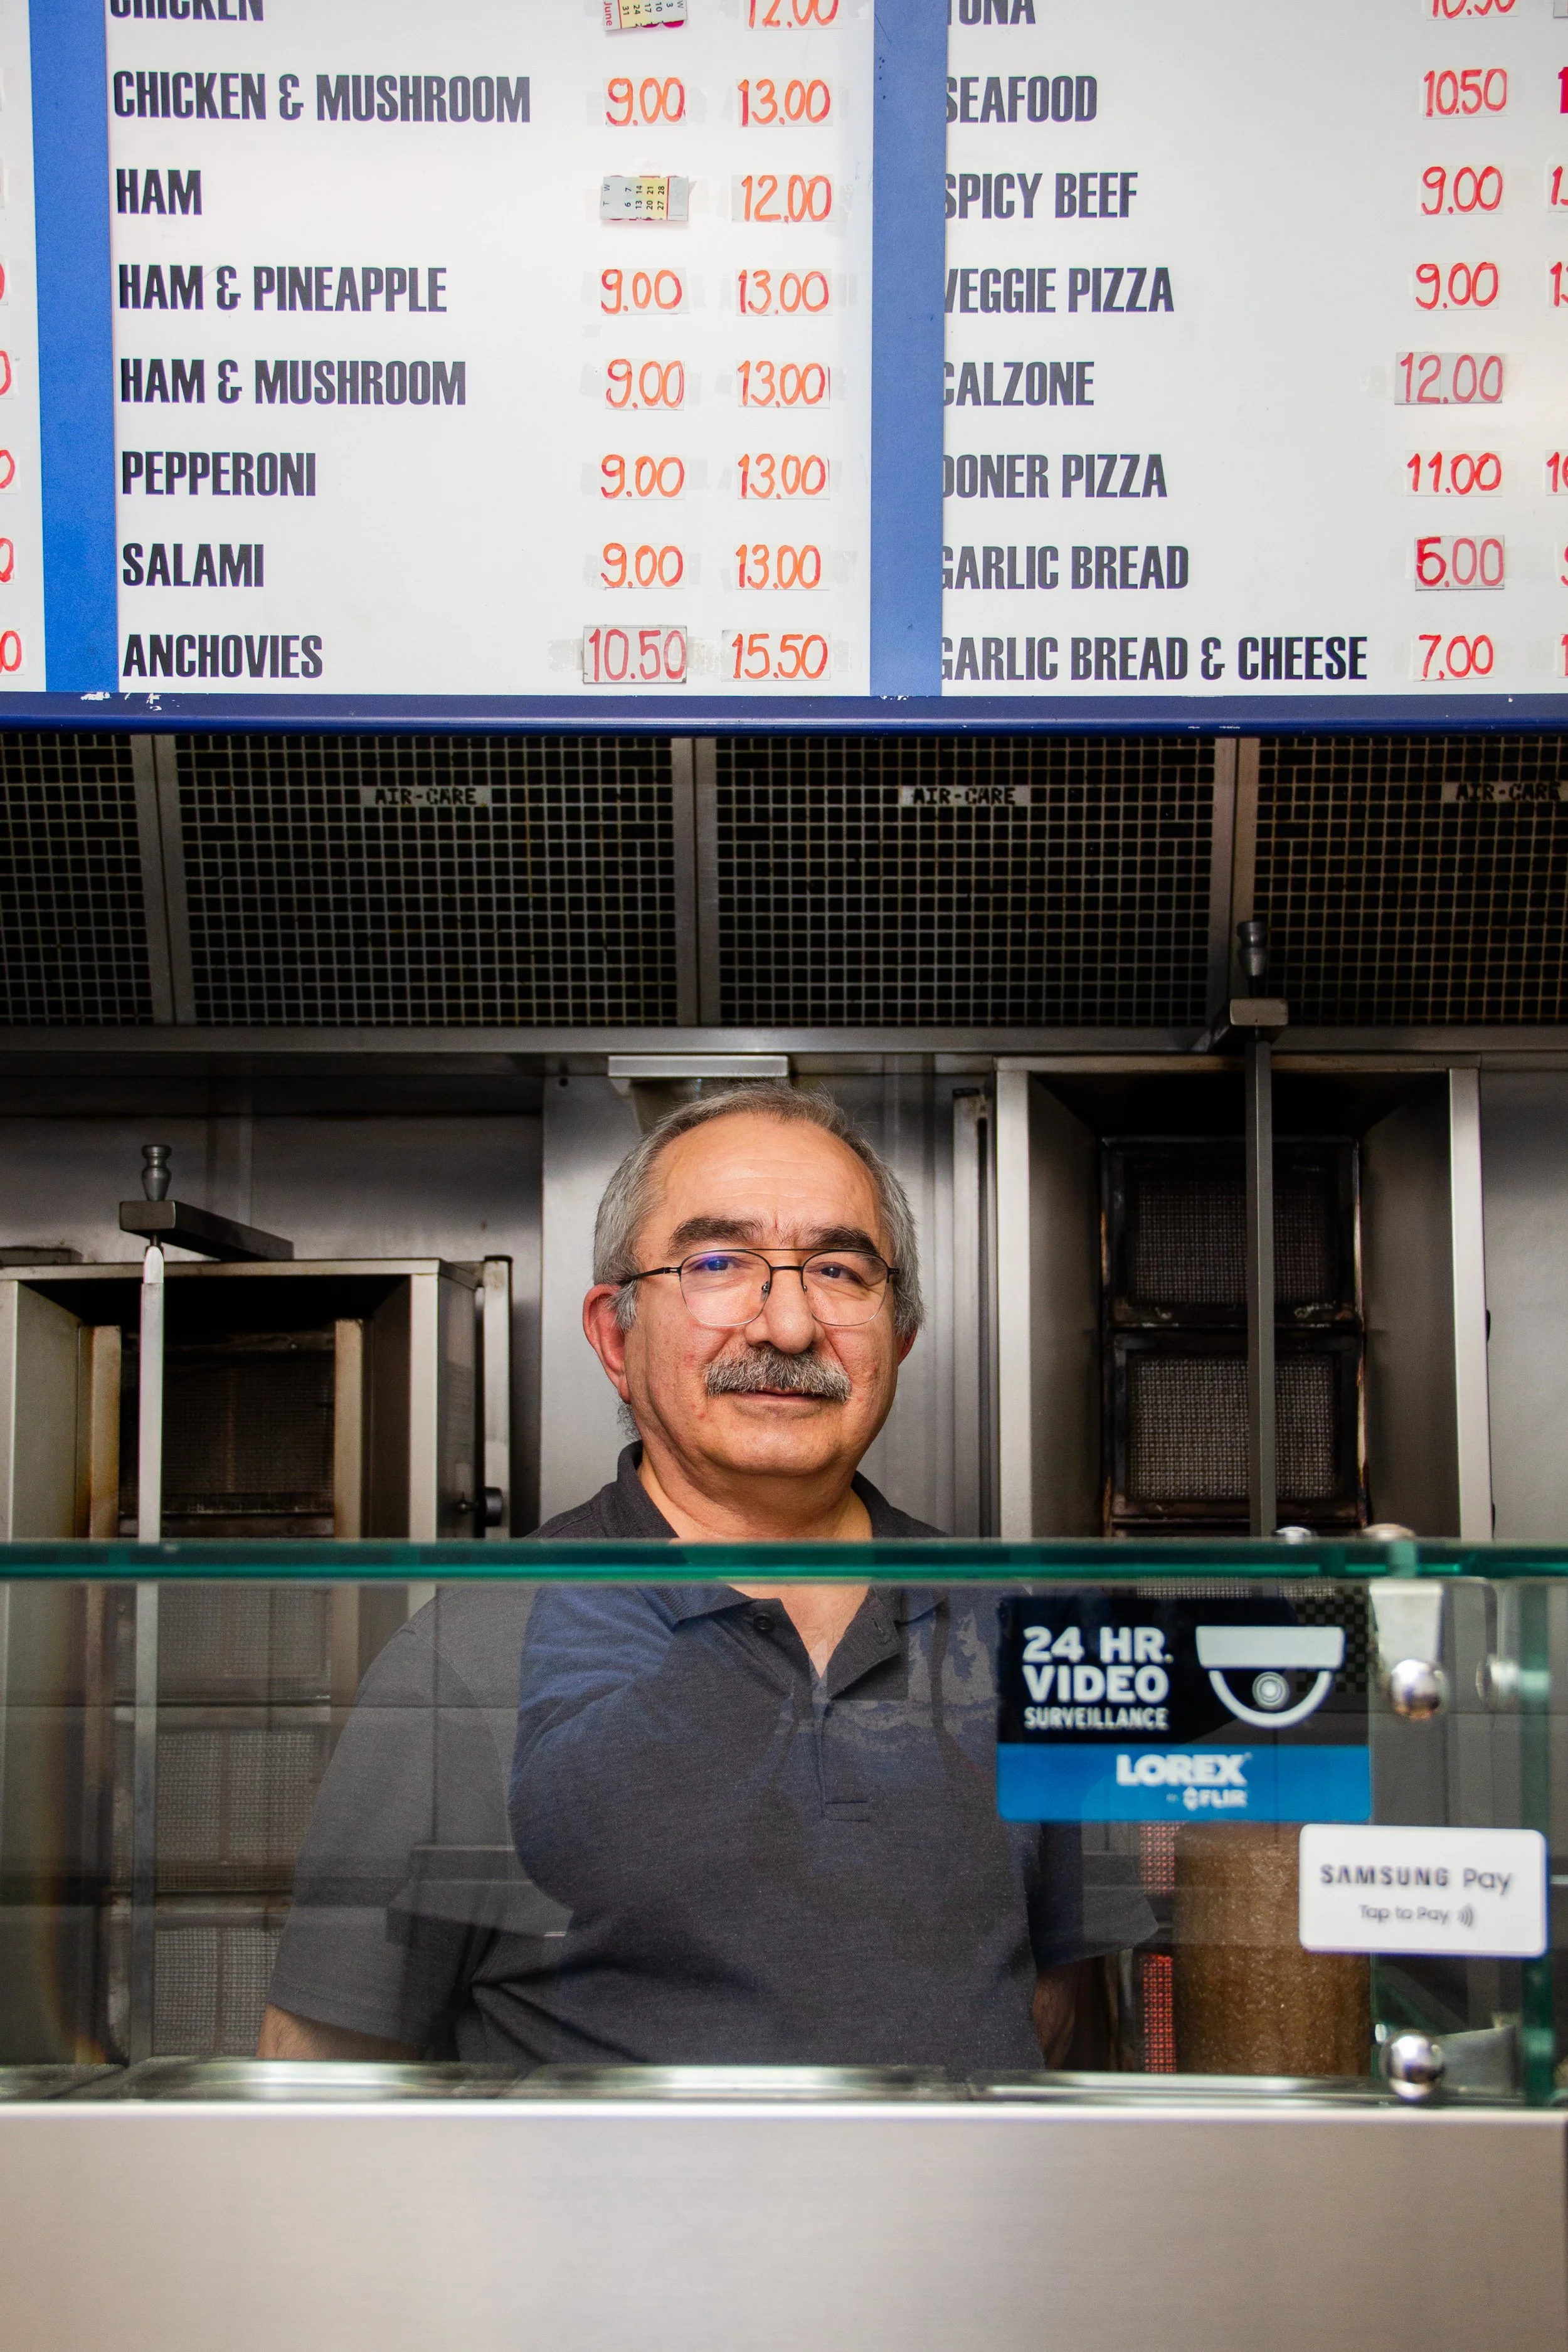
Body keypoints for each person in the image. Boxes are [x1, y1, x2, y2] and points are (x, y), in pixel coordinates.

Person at [259, 1084, 1149, 2067]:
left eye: (840, 1268)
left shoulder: (1027, 1636)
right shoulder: (469, 1657)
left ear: (899, 1336)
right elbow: (326, 2068)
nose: (789, 1324)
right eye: (719, 1263)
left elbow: (1063, 2021)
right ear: (614, 1336)